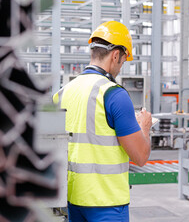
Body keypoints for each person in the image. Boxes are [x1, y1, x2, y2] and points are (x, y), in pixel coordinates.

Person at [53, 21, 152, 222]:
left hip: (73, 201)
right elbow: (140, 156)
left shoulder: (62, 93)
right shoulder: (114, 94)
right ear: (116, 55)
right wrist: (145, 127)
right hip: (107, 203)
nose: (121, 66)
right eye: (123, 60)